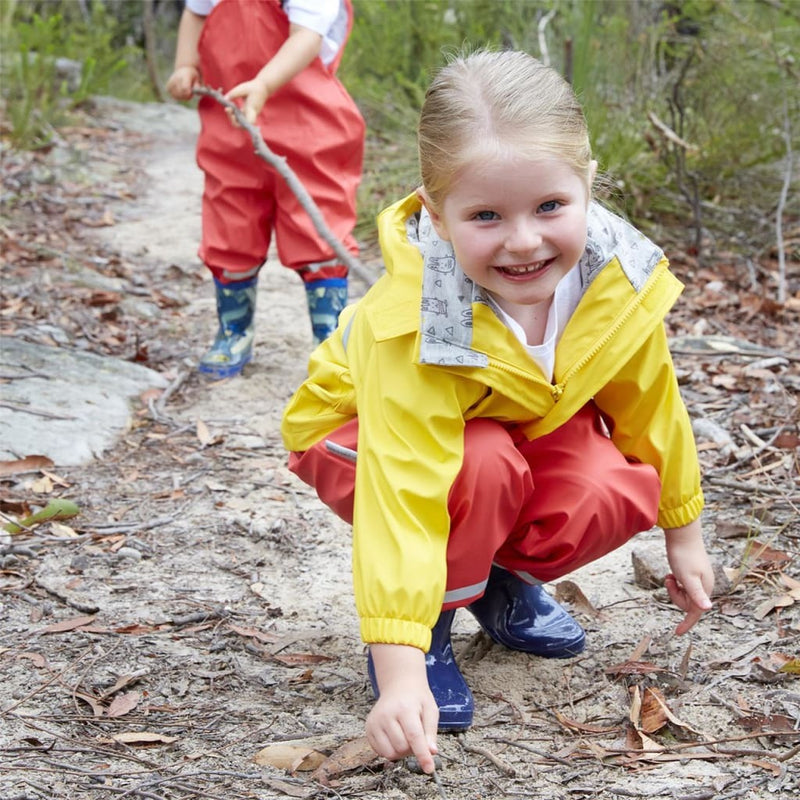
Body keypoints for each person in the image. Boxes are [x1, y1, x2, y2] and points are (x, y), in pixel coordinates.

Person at [281, 49, 714, 774]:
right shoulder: (414, 321)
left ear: (587, 183)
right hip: (363, 440)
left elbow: (651, 406)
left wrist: (685, 535)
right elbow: (404, 494)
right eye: (486, 215)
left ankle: (494, 577)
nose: (523, 240)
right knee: (476, 462)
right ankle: (435, 629)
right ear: (436, 210)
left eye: (550, 206)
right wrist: (400, 670)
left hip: (514, 423)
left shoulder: (617, 277)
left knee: (608, 483)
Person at [166, 0, 365, 378]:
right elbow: (195, 12)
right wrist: (185, 64)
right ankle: (233, 331)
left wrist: (265, 82)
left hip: (309, 127)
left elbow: (306, 36)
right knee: (230, 224)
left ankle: (332, 343)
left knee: (317, 229)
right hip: (233, 124)